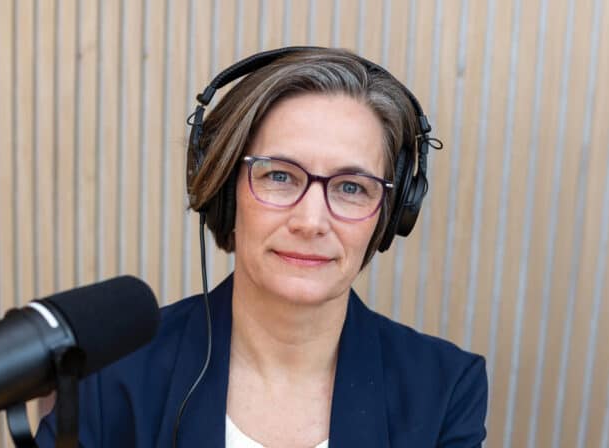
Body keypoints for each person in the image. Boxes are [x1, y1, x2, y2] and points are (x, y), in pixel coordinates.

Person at [35, 47, 487, 447]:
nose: (311, 221)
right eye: (279, 176)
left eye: (351, 187)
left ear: (388, 215)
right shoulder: (111, 376)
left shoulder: (444, 389)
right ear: (224, 192)